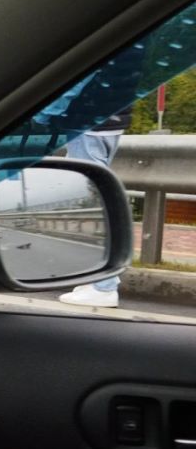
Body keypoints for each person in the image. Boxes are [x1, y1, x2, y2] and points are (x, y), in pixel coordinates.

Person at [57, 107, 131, 307]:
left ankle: (103, 286)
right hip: (113, 121)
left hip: (88, 121)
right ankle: (98, 281)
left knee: (95, 202)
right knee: (99, 196)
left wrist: (46, 113)